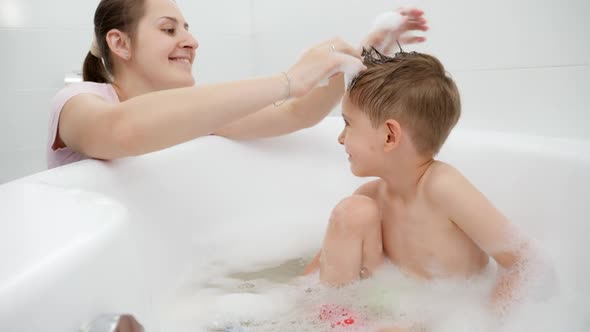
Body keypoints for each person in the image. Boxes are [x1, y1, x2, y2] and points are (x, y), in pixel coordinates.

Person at [303, 48, 537, 331]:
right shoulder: (369, 197)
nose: (340, 138)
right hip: (386, 306)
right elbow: (317, 273)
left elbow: (523, 261)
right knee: (352, 211)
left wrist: (482, 323)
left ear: (390, 135)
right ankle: (333, 324)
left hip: (446, 316)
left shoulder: (443, 187)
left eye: (348, 124)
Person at [47, 0, 428, 168]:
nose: (191, 41)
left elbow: (297, 113)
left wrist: (356, 58)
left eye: (187, 29)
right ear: (119, 43)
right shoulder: (78, 100)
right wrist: (289, 80)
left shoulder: (192, 114)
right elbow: (120, 131)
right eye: (168, 29)